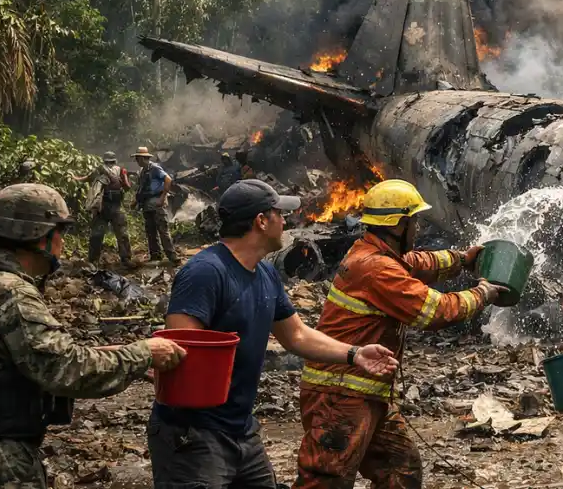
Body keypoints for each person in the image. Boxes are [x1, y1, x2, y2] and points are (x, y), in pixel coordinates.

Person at [149, 179, 398, 489]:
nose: (286, 220)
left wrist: (355, 354)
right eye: (280, 213)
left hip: (241, 430)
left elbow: (297, 336)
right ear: (261, 221)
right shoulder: (205, 272)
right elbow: (180, 351)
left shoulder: (265, 273)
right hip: (194, 435)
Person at [0, 184, 186, 489]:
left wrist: (118, 352)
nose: (63, 242)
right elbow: (63, 368)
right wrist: (142, 353)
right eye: (61, 232)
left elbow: (25, 358)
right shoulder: (9, 290)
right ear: (42, 236)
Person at [293, 179, 504, 489]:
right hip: (339, 396)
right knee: (326, 480)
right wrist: (482, 293)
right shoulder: (377, 268)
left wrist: (461, 259)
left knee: (401, 471)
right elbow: (436, 311)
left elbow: (418, 262)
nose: (417, 228)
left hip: (366, 393)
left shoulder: (376, 252)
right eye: (414, 221)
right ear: (400, 224)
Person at [74, 151, 132, 266]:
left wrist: (75, 178)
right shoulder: (118, 170)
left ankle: (95, 260)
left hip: (107, 207)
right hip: (109, 207)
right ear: (114, 160)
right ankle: (124, 259)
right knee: (118, 234)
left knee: (102, 233)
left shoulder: (103, 170)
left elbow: (86, 178)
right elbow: (127, 187)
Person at [133, 147, 178, 264]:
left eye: (138, 158)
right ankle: (155, 255)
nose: (137, 160)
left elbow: (168, 180)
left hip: (156, 202)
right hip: (147, 204)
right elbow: (141, 188)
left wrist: (162, 197)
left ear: (144, 158)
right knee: (150, 231)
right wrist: (136, 201)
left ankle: (172, 257)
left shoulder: (155, 168)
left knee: (163, 230)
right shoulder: (143, 171)